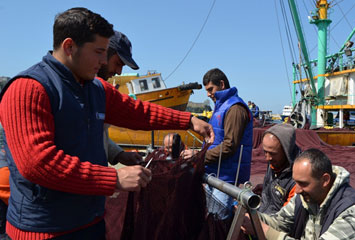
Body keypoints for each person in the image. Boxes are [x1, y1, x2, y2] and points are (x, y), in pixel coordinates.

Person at [0, 7, 213, 239]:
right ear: (69, 47)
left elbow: (137, 111)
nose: (104, 60)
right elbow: (38, 163)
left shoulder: (96, 88)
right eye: (99, 51)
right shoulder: (28, 89)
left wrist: (187, 120)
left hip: (90, 223)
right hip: (43, 230)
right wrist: (115, 179)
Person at [242, 148, 355, 239]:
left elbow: (270, 229)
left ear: (325, 180)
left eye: (303, 183)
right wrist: (249, 216)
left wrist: (266, 232)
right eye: (296, 182)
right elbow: (279, 222)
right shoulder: (304, 198)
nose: (297, 190)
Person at [202, 68, 253, 220]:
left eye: (211, 89)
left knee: (219, 221)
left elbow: (230, 145)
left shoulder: (235, 108)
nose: (208, 94)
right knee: (211, 218)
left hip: (227, 178)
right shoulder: (222, 106)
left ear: (222, 84)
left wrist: (201, 156)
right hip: (217, 173)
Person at [97, 30, 142, 166]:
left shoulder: (96, 88)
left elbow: (99, 133)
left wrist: (118, 154)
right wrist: (115, 179)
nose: (119, 72)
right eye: (118, 63)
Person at [258, 124, 301, 214]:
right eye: (265, 152)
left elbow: (287, 218)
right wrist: (266, 189)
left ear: (286, 151)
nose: (267, 158)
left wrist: (257, 220)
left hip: (275, 224)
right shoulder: (274, 163)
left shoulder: (298, 177)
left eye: (272, 153)